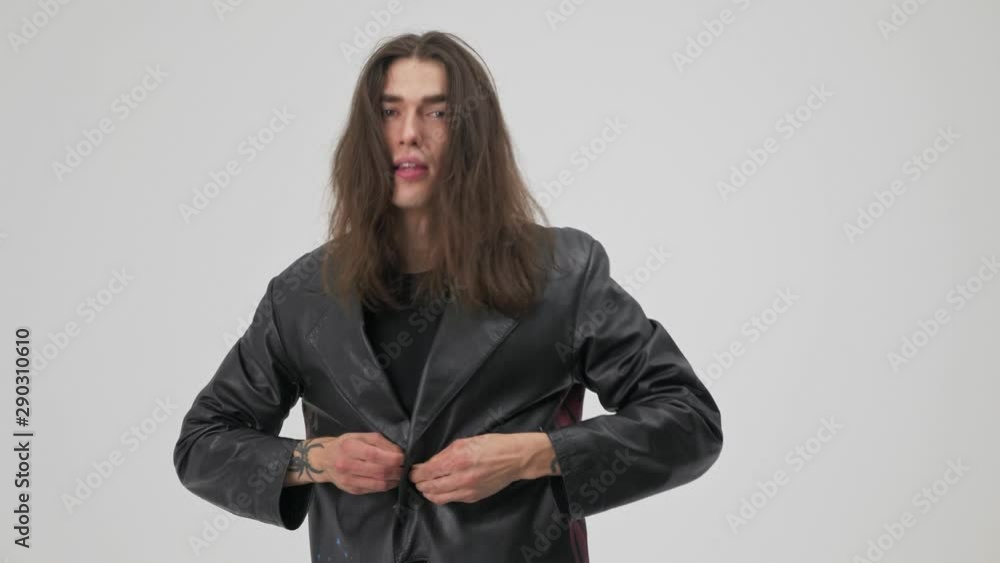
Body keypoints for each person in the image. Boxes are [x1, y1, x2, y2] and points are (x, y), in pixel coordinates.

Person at [172, 31, 723, 563]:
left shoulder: (560, 274)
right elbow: (203, 443)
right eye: (389, 112)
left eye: (436, 112)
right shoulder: (303, 294)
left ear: (472, 134)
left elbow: (688, 419)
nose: (409, 133)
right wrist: (314, 459)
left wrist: (535, 454)